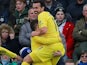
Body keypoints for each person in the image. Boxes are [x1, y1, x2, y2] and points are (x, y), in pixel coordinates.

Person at [21, 0, 65, 65]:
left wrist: (34, 33)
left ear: (42, 8)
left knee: (26, 60)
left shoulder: (41, 15)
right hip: (57, 46)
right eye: (33, 8)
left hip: (50, 47)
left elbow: (44, 30)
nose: (34, 10)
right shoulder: (49, 15)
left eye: (36, 8)